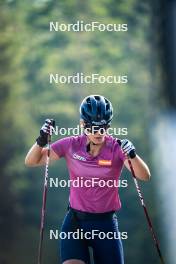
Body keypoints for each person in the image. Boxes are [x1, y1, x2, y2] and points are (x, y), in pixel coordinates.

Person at [25, 95, 151, 264]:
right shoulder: (71, 144)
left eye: (103, 127)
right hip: (75, 223)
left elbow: (145, 176)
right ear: (83, 124)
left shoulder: (116, 148)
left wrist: (133, 156)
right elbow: (32, 161)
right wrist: (41, 140)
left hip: (105, 225)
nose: (99, 133)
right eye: (93, 128)